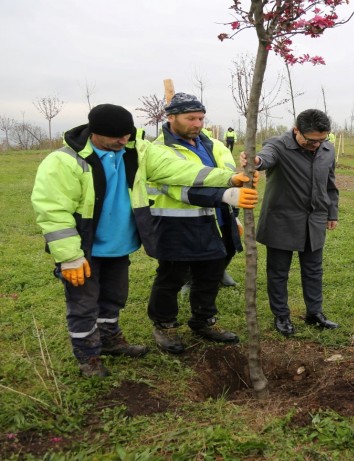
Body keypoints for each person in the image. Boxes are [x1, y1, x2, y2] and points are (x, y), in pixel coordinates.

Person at [31, 104, 255, 377]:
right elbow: (53, 212)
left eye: (127, 135)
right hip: (83, 250)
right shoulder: (64, 161)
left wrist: (228, 178)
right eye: (116, 137)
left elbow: (178, 170)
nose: (123, 141)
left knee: (113, 298)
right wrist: (69, 257)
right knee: (83, 305)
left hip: (118, 246)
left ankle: (110, 340)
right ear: (94, 133)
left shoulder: (136, 151)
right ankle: (88, 356)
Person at [146, 93, 254, 353]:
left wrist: (243, 178)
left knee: (210, 275)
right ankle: (165, 325)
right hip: (176, 226)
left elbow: (229, 173)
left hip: (216, 222)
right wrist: (228, 186)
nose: (197, 123)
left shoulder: (215, 145)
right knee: (171, 277)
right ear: (171, 117)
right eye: (190, 118)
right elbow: (186, 178)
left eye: (201, 118)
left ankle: (204, 320)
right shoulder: (159, 150)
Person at [242, 109, 340, 337]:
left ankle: (314, 313)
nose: (316, 145)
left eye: (321, 140)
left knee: (314, 270)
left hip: (314, 221)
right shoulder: (277, 145)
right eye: (311, 140)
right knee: (278, 272)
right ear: (296, 130)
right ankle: (282, 316)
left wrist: (331, 213)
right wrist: (255, 161)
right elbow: (265, 158)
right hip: (282, 221)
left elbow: (330, 184)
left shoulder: (327, 149)